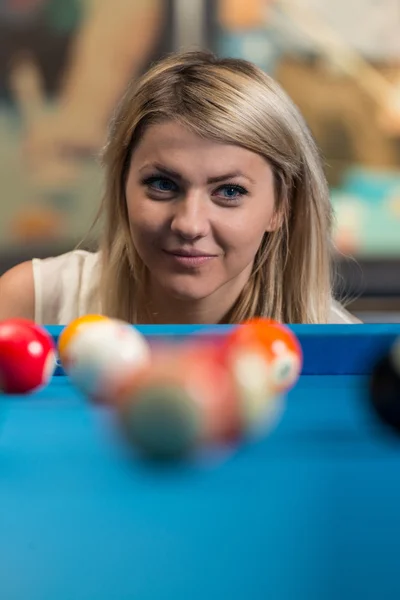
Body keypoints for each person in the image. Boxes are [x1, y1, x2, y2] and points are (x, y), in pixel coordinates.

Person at [0, 50, 359, 325]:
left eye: (229, 192)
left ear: (283, 206)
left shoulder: (338, 345)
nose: (189, 224)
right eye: (162, 184)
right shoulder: (32, 304)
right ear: (121, 186)